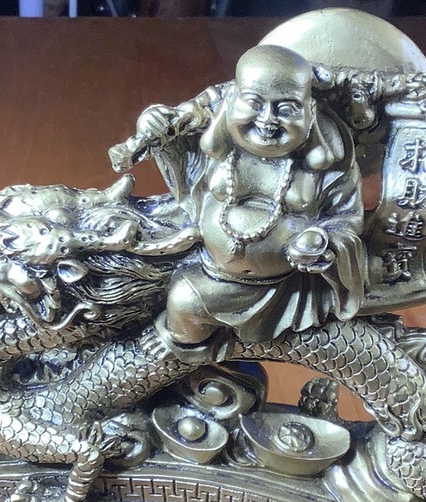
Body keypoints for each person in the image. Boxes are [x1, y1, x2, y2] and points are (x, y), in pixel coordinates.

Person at [122, 45, 367, 361]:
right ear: (232, 100)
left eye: (286, 108)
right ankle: (195, 355)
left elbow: (347, 218)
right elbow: (175, 148)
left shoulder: (330, 164)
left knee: (184, 301)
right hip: (210, 276)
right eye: (254, 103)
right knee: (183, 302)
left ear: (310, 111)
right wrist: (154, 123)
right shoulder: (218, 146)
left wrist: (322, 242)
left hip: (291, 287)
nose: (267, 120)